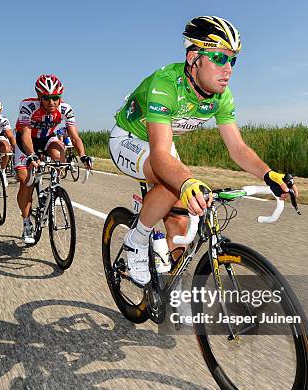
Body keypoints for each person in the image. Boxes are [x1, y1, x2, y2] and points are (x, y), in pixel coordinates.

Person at [109, 16, 298, 285]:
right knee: (173, 182)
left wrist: (268, 175)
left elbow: (238, 148)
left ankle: (172, 286)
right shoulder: (165, 84)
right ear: (193, 58)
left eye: (233, 60)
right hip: (128, 139)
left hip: (160, 142)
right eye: (219, 58)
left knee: (180, 223)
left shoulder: (222, 97)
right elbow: (161, 157)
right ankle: (135, 240)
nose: (228, 68)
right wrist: (185, 181)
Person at [14, 74, 92, 244]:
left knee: (59, 155)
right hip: (25, 140)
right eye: (47, 98)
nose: (52, 102)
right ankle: (26, 222)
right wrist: (31, 155)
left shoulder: (65, 109)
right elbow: (26, 134)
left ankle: (52, 190)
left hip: (47, 138)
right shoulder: (28, 105)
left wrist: (83, 155)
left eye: (56, 97)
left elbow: (75, 136)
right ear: (39, 96)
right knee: (25, 180)